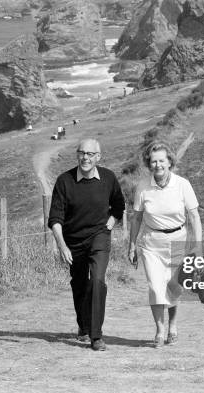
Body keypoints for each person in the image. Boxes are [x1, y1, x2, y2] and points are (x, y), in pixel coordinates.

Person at [48, 139, 125, 351]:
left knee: (97, 281)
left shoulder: (108, 178)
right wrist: (62, 246)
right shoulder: (64, 181)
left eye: (91, 154)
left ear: (98, 157)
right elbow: (55, 218)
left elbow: (119, 204)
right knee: (79, 284)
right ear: (77, 155)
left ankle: (96, 335)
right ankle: (83, 325)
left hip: (100, 236)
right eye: (82, 153)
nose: (86, 158)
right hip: (73, 242)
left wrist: (110, 222)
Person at [128, 141, 202, 348]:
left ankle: (173, 325)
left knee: (174, 287)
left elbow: (194, 216)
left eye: (162, 160)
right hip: (151, 243)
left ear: (169, 161)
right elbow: (136, 218)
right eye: (153, 161)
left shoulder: (182, 184)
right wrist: (132, 245)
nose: (157, 165)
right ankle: (160, 330)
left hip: (178, 240)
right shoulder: (143, 187)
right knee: (155, 287)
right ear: (148, 164)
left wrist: (198, 246)